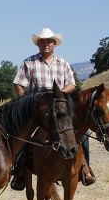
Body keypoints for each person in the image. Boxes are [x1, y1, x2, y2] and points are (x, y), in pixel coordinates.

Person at [10, 27, 97, 189]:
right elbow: (18, 84)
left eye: (49, 41)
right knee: (24, 136)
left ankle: (84, 167)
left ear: (54, 44)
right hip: (39, 110)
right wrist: (24, 103)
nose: (46, 44)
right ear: (38, 44)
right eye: (42, 41)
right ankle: (19, 171)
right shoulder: (29, 62)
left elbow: (72, 84)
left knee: (81, 132)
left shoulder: (63, 63)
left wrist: (60, 94)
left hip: (60, 108)